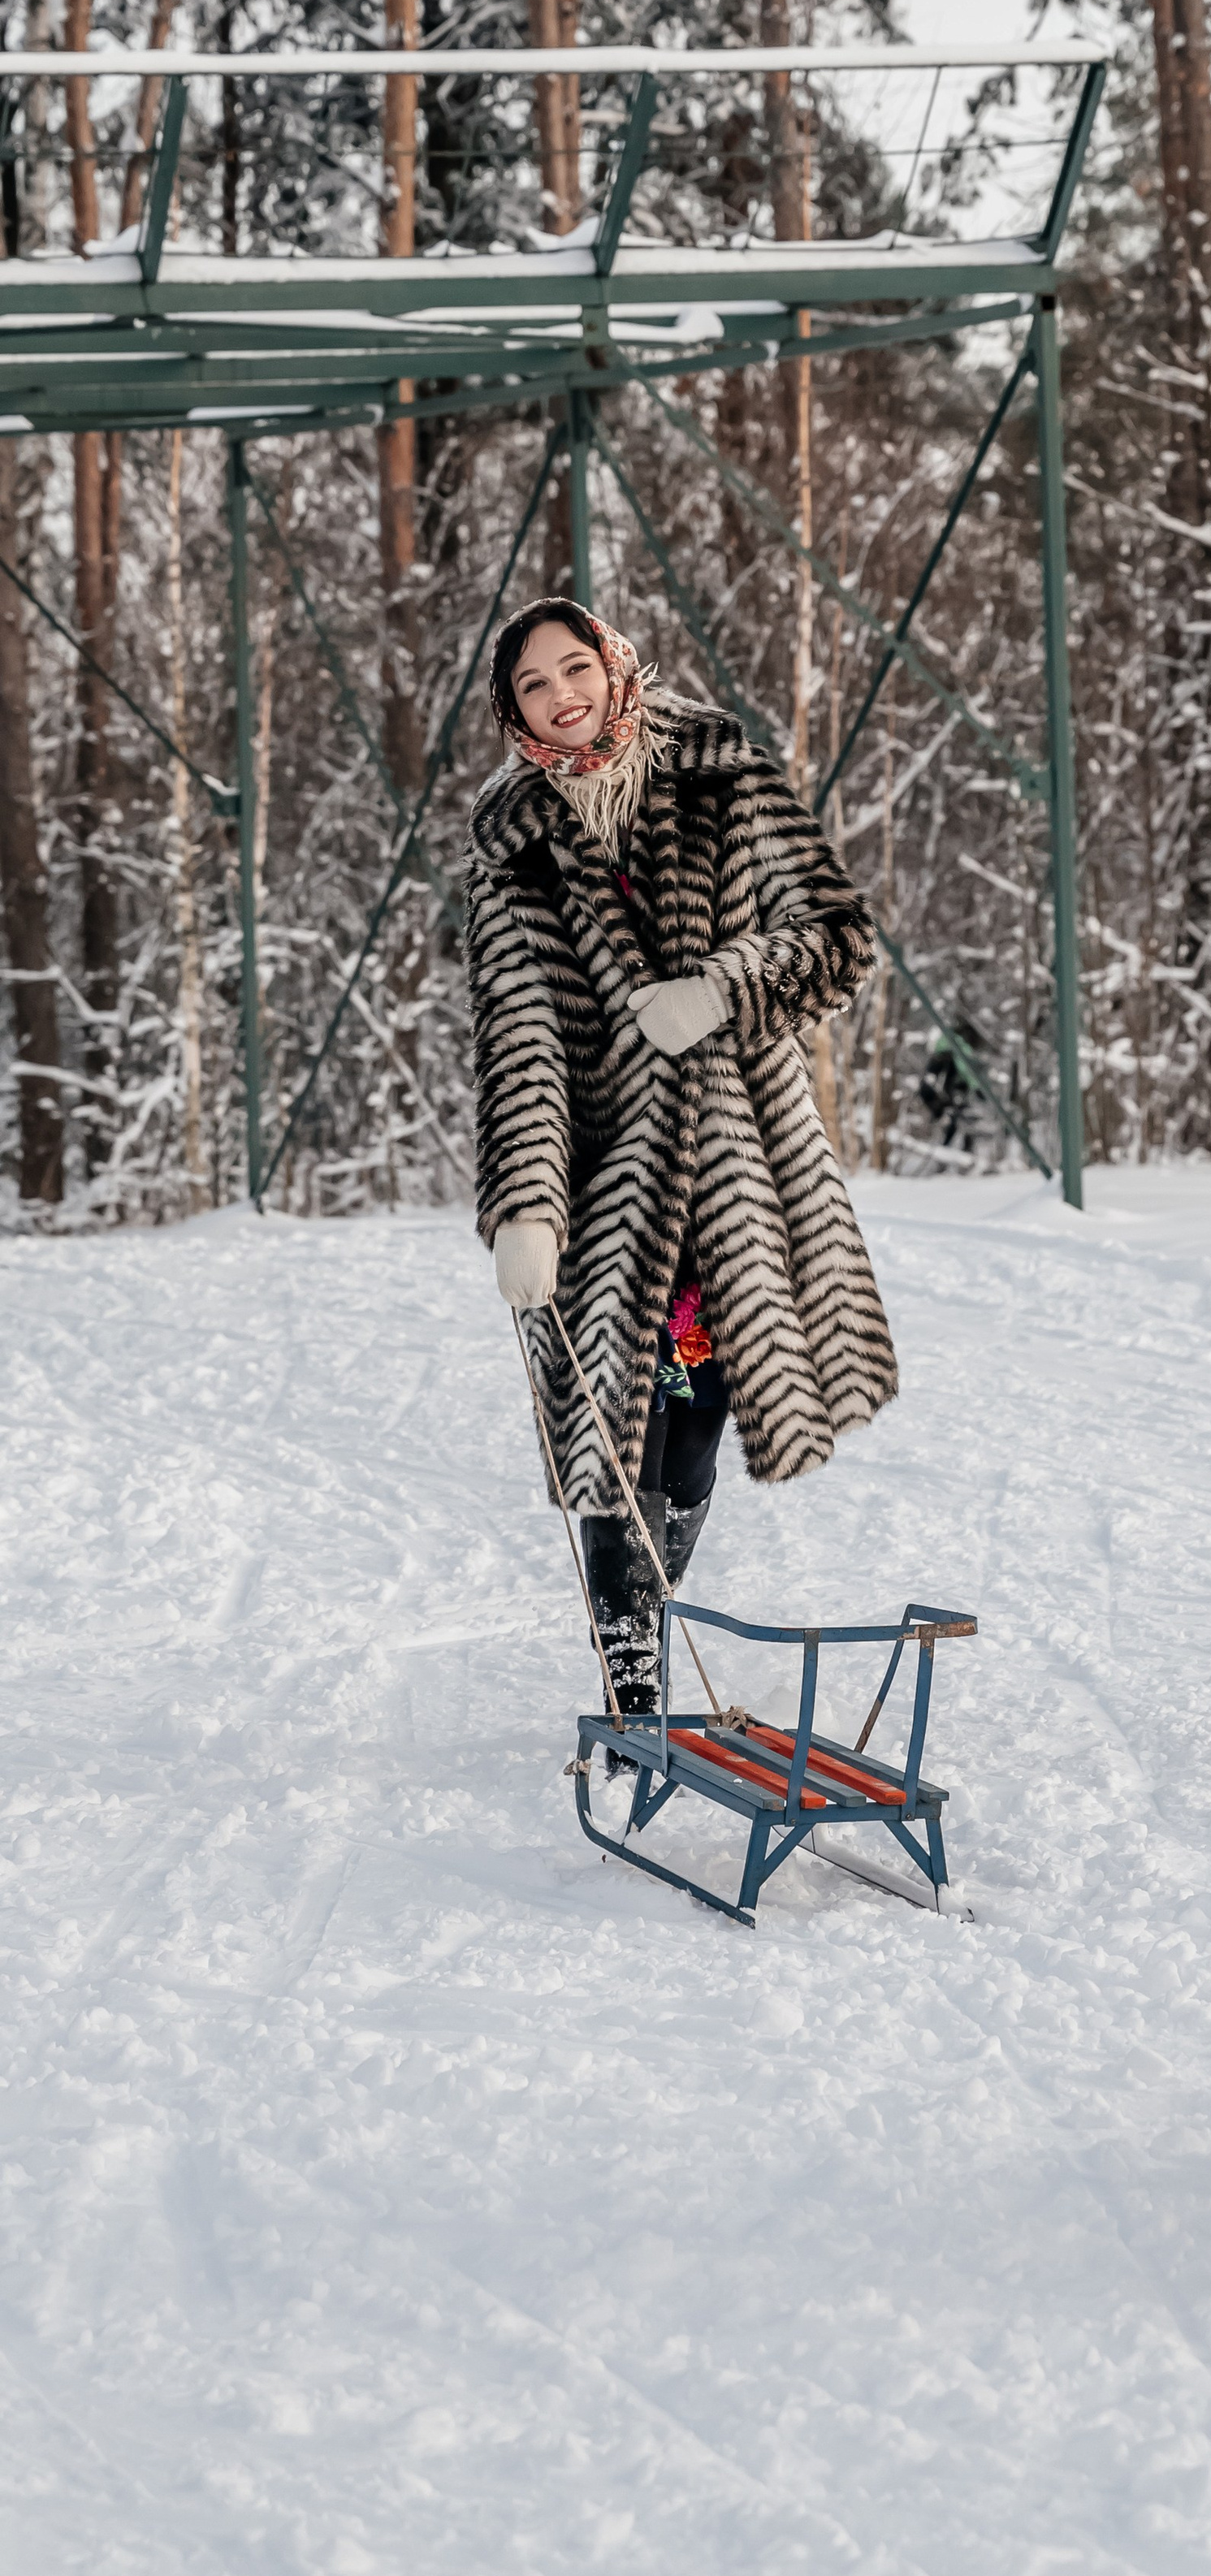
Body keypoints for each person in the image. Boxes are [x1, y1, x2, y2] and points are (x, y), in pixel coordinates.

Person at [466, 597, 897, 1731]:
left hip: (741, 1165)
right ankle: (633, 1680)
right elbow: (523, 1045)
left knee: (700, 1415)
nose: (563, 695)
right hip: (610, 1181)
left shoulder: (720, 775)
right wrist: (527, 1207)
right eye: (534, 686)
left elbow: (837, 936)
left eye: (574, 668)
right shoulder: (514, 852)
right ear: (514, 714)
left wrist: (718, 990)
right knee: (617, 1434)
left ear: (614, 666)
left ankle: (650, 1611)